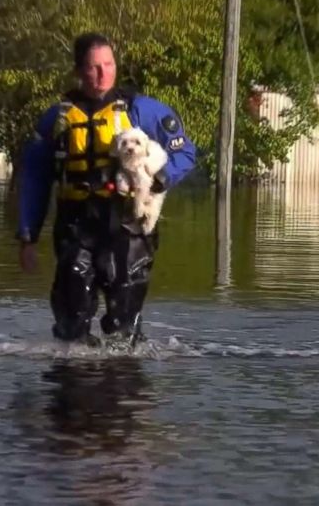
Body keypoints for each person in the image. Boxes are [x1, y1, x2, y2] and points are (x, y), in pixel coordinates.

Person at [16, 32, 197, 346]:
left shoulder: (141, 110)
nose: (103, 73)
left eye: (109, 64)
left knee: (121, 321)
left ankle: (124, 369)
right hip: (76, 224)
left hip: (127, 224)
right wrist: (27, 235)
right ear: (78, 71)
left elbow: (185, 153)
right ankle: (74, 378)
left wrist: (159, 180)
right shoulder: (57, 118)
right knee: (72, 311)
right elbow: (34, 176)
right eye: (93, 66)